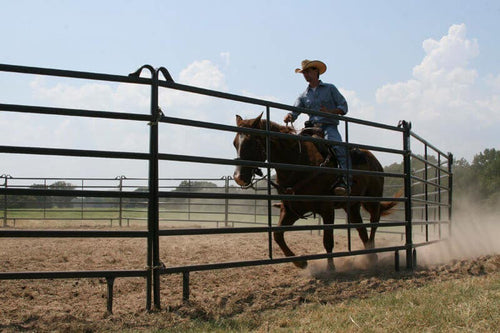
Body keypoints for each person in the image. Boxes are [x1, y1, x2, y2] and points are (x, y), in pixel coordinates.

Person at [284, 59, 350, 195]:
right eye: (303, 73)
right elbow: (294, 110)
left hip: (328, 126)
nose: (305, 75)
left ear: (316, 72)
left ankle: (345, 181)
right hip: (311, 128)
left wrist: (330, 112)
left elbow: (344, 107)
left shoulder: (330, 88)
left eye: (307, 71)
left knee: (338, 147)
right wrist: (290, 116)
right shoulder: (303, 95)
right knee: (296, 147)